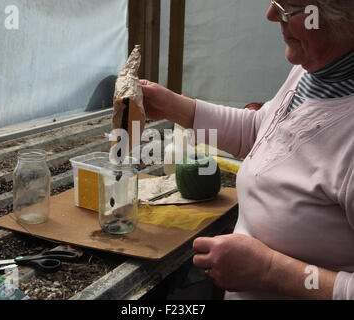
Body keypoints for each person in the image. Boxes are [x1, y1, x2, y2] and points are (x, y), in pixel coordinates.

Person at [140, 0, 354, 300]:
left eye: (288, 8)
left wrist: (270, 270)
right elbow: (261, 130)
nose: (270, 15)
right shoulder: (314, 70)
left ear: (343, 19)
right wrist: (175, 107)